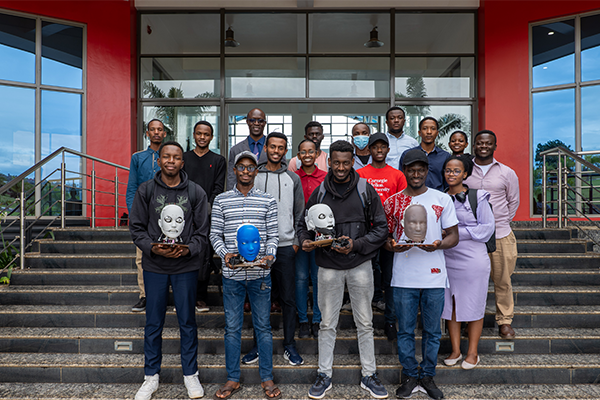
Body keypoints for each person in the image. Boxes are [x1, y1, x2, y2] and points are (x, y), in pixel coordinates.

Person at [297, 140, 389, 400]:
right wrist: (305, 239)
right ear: (328, 162)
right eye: (335, 162)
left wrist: (357, 245)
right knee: (327, 324)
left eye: (345, 163)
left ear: (353, 162)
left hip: (360, 265)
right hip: (327, 267)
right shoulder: (320, 193)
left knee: (365, 323)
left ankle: (369, 375)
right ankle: (324, 375)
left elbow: (381, 229)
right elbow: (304, 223)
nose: (340, 167)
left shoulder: (365, 190)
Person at [129, 141, 209, 400]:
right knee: (153, 323)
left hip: (186, 267)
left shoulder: (196, 192)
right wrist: (152, 247)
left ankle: (191, 374)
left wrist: (188, 250)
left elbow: (202, 231)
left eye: (176, 157)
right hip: (155, 266)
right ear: (159, 160)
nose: (171, 161)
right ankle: (151, 377)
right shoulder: (146, 190)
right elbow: (137, 229)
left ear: (182, 162)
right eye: (166, 157)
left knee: (187, 322)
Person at [383, 148, 459, 400]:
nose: (416, 174)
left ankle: (427, 375)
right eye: (411, 169)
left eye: (421, 169)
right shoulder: (392, 202)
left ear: (427, 170)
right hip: (403, 276)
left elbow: (454, 236)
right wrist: (391, 245)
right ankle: (408, 375)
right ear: (404, 171)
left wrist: (438, 244)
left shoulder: (442, 200)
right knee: (404, 330)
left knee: (432, 331)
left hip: (434, 275)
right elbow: (384, 239)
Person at [210, 151, 281, 400]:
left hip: (261, 274)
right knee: (232, 328)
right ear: (235, 170)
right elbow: (214, 235)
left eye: (251, 167)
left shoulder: (267, 201)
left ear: (256, 172)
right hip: (232, 275)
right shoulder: (221, 201)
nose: (246, 171)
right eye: (242, 166)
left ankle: (267, 378)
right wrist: (223, 254)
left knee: (263, 327)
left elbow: (274, 235)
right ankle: (232, 379)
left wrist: (270, 256)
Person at [242, 132, 305, 366]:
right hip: (257, 250)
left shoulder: (293, 178)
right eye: (273, 146)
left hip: (286, 247)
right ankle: (259, 345)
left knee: (288, 299)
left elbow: (300, 212)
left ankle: (289, 345)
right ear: (265, 148)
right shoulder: (254, 175)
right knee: (259, 298)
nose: (277, 151)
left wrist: (297, 241)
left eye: (281, 147)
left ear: (285, 151)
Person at [464, 130, 520, 340]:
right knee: (471, 280)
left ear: (495, 146)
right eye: (479, 143)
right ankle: (469, 319)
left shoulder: (507, 173)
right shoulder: (465, 170)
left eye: (488, 143)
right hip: (472, 236)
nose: (483, 146)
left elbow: (513, 202)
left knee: (502, 280)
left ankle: (504, 321)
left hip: (501, 235)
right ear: (474, 145)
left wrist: (498, 222)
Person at [441, 155, 495, 370]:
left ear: (465, 174)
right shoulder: (440, 197)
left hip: (473, 258)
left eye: (456, 171)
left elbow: (486, 229)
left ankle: (473, 352)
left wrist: (455, 232)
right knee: (451, 304)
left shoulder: (478, 197)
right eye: (448, 170)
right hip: (446, 257)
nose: (451, 174)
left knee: (473, 304)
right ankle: (455, 350)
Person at [356, 133, 407, 341]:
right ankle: (364, 320)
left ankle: (390, 321)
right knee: (364, 278)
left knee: (390, 279)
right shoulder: (359, 173)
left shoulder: (397, 175)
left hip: (389, 234)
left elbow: (403, 206)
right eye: (374, 147)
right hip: (365, 233)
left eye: (382, 147)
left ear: (387, 150)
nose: (378, 150)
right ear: (368, 149)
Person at [183, 121, 226, 313]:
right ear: (193, 135)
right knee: (184, 255)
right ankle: (184, 298)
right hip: (183, 216)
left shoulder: (218, 160)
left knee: (205, 257)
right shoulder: (184, 158)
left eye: (206, 134)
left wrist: (204, 211)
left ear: (211, 137)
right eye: (199, 133)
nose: (202, 137)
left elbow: (218, 188)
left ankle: (200, 297)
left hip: (207, 215)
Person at [126, 119, 167, 313]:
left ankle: (167, 295)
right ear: (147, 133)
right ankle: (145, 296)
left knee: (169, 255)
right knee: (142, 258)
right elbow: (132, 188)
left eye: (160, 129)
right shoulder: (138, 158)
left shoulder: (171, 156)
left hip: (168, 215)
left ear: (165, 133)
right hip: (144, 216)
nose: (156, 132)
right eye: (153, 129)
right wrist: (135, 217)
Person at [294, 139, 327, 339]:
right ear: (298, 155)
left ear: (317, 154)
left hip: (320, 236)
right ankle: (302, 321)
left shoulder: (325, 178)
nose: (307, 155)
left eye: (311, 151)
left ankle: (317, 319)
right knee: (300, 279)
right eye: (303, 152)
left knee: (318, 279)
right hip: (298, 234)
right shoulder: (292, 177)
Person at [399, 117, 450, 192]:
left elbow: (448, 183)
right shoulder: (407, 154)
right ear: (419, 133)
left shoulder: (445, 156)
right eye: (425, 128)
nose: (429, 132)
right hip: (413, 198)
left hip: (438, 198)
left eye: (432, 129)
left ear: (437, 133)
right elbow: (402, 180)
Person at [226, 108, 269, 190]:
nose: (256, 123)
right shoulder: (236, 149)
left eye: (260, 121)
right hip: (243, 196)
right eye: (252, 120)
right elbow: (231, 178)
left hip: (267, 194)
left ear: (264, 123)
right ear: (247, 122)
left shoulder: (274, 148)